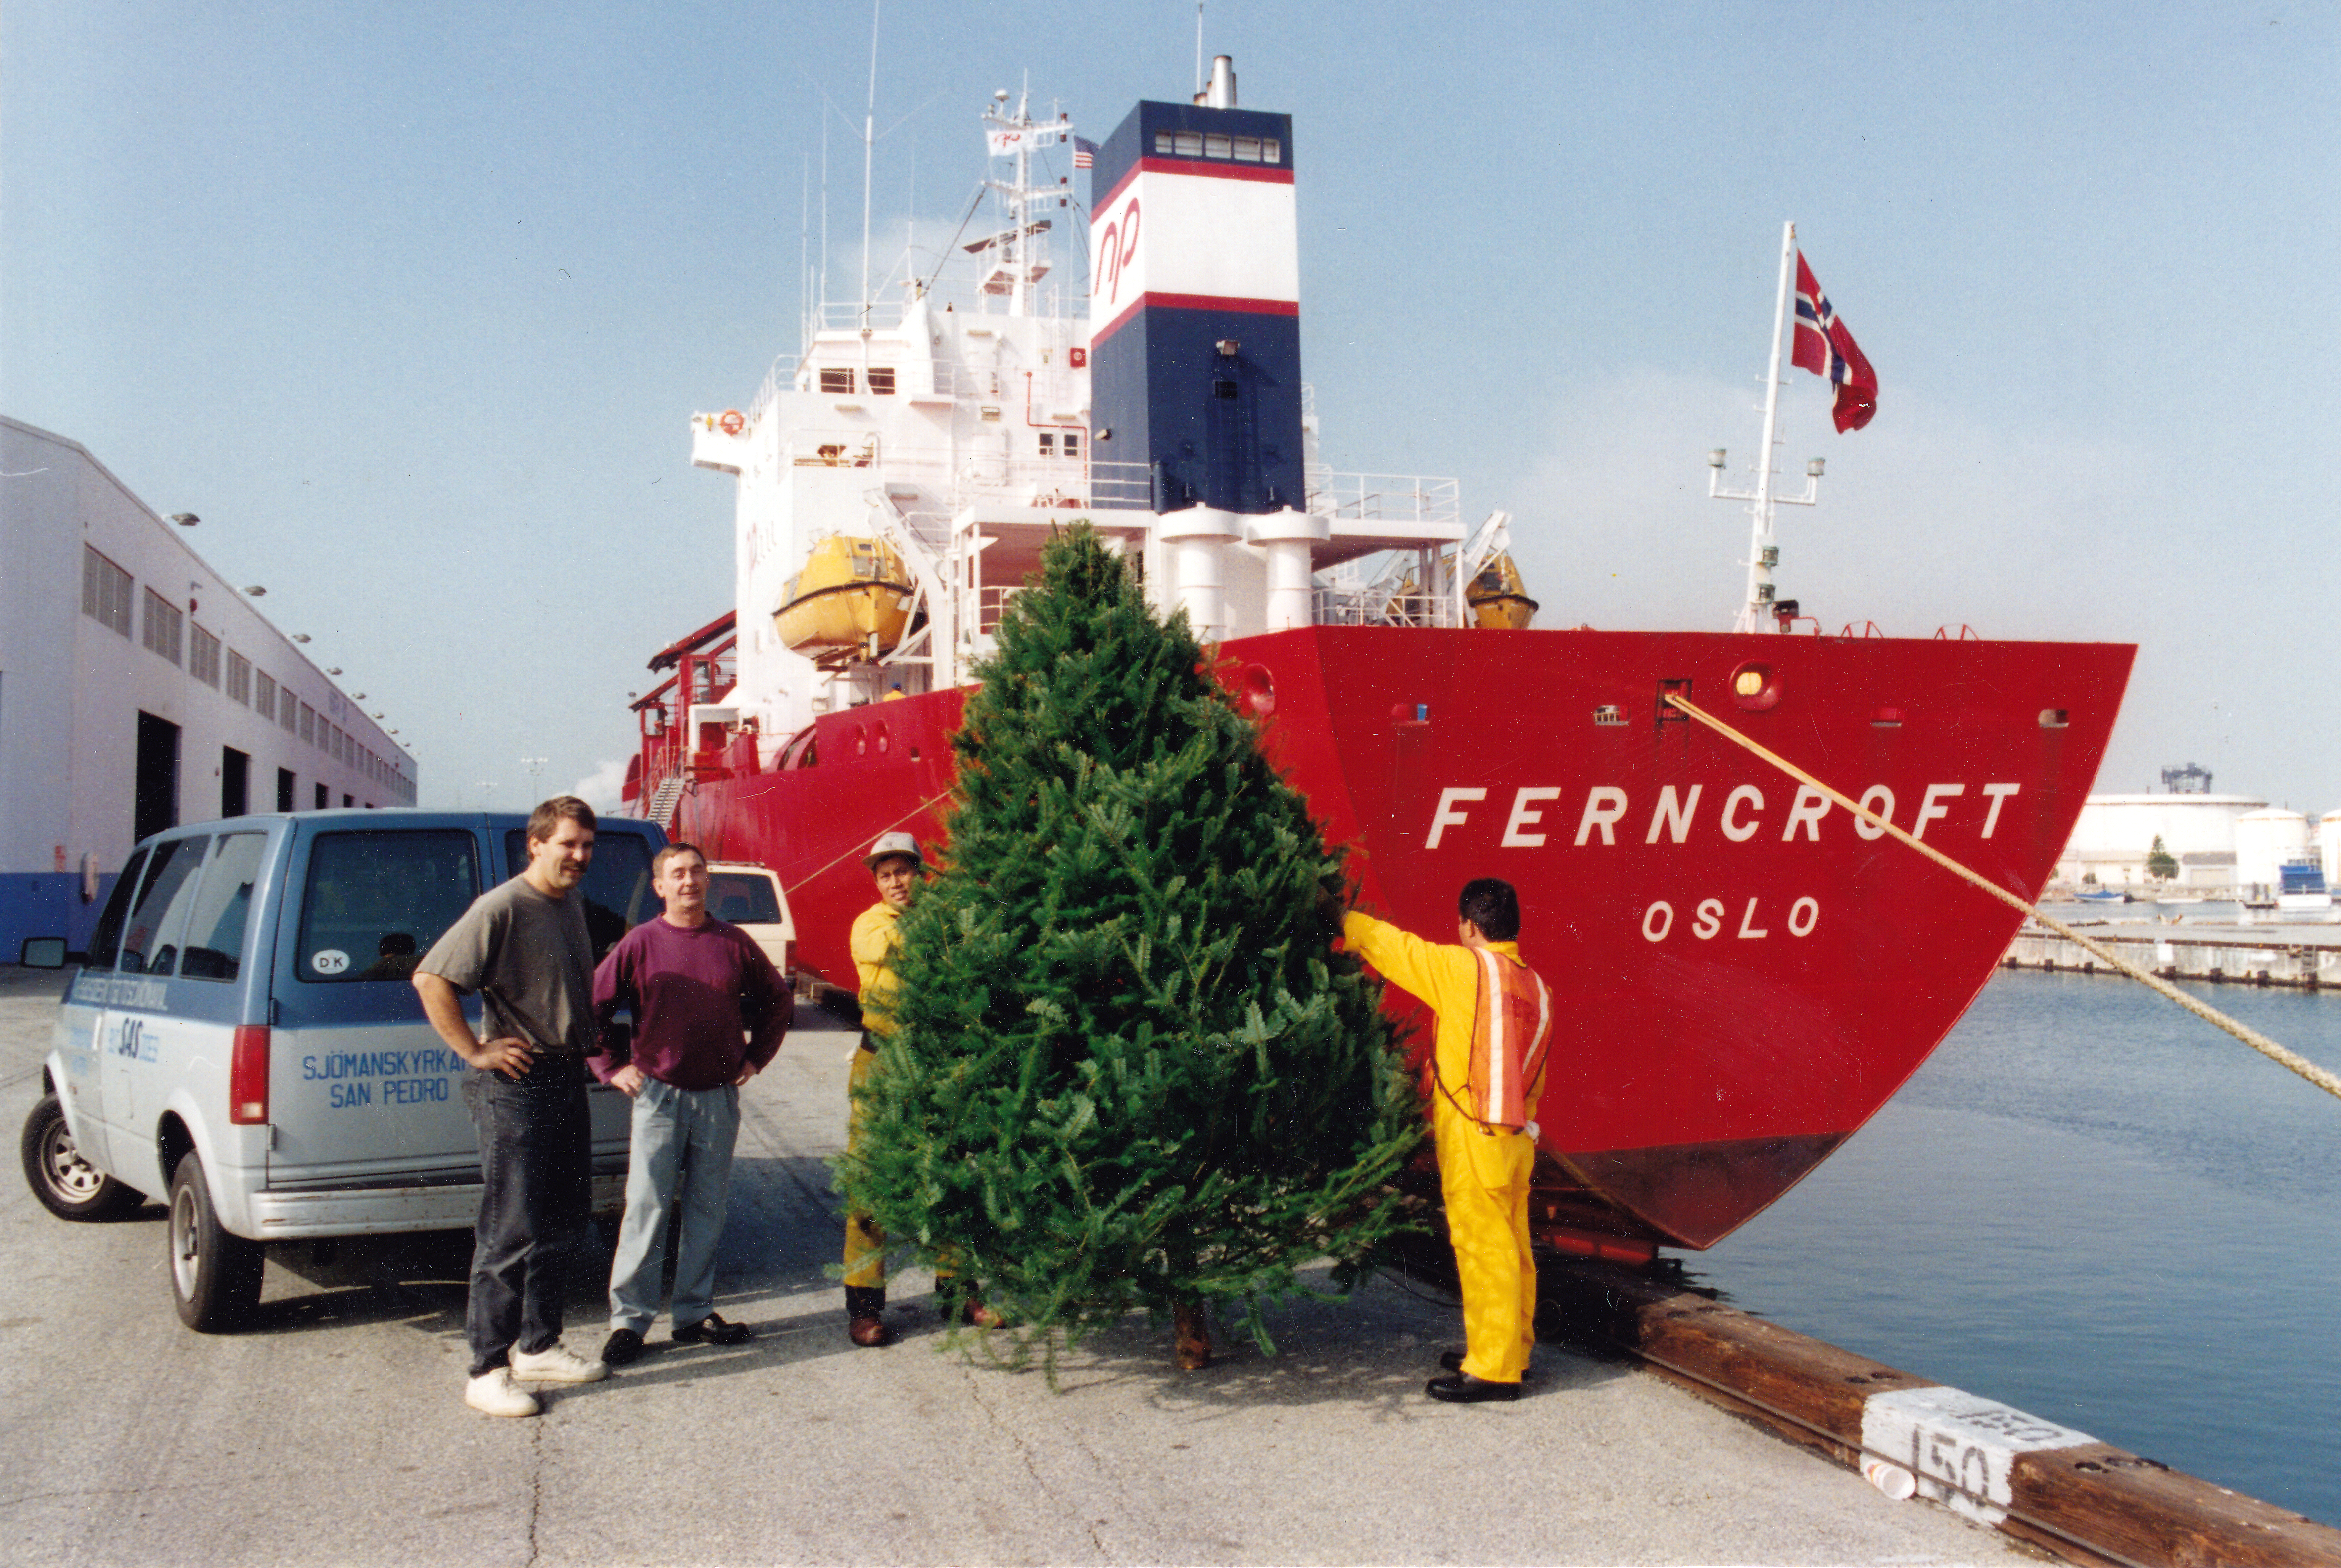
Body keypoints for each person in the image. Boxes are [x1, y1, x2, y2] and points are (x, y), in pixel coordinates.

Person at [415, 796, 610, 1419]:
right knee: (510, 1231)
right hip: (518, 1087)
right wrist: (474, 1050)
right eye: (567, 845)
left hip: (565, 1076)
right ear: (536, 844)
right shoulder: (502, 906)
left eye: (586, 845)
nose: (579, 856)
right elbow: (431, 978)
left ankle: (539, 1345)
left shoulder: (570, 901)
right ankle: (487, 1368)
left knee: (563, 1220)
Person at [1341, 878, 1553, 1404]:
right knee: (1514, 1249)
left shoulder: (1465, 969)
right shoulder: (1537, 987)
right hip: (1517, 1136)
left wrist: (1342, 921)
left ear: (1471, 926)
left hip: (1473, 1134)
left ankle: (1493, 1370)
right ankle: (1510, 1351)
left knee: (1484, 1251)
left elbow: (1397, 950)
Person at [590, 842, 792, 1366]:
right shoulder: (640, 943)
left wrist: (756, 1058)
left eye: (697, 871)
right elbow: (593, 1007)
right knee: (646, 1207)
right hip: (658, 1096)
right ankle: (630, 1321)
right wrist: (612, 1066)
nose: (689, 881)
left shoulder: (733, 942)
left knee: (706, 1208)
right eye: (677, 874)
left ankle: (692, 1313)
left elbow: (778, 998)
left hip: (718, 1097)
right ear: (659, 886)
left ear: (708, 880)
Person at [842, 830, 1001, 1345]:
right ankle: (864, 1307)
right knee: (870, 1183)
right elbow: (906, 949)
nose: (896, 882)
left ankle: (958, 1293)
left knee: (948, 1176)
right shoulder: (870, 925)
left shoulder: (941, 917)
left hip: (935, 1063)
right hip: (883, 1064)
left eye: (904, 870)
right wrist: (949, 922)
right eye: (885, 873)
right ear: (876, 881)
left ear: (919, 872)